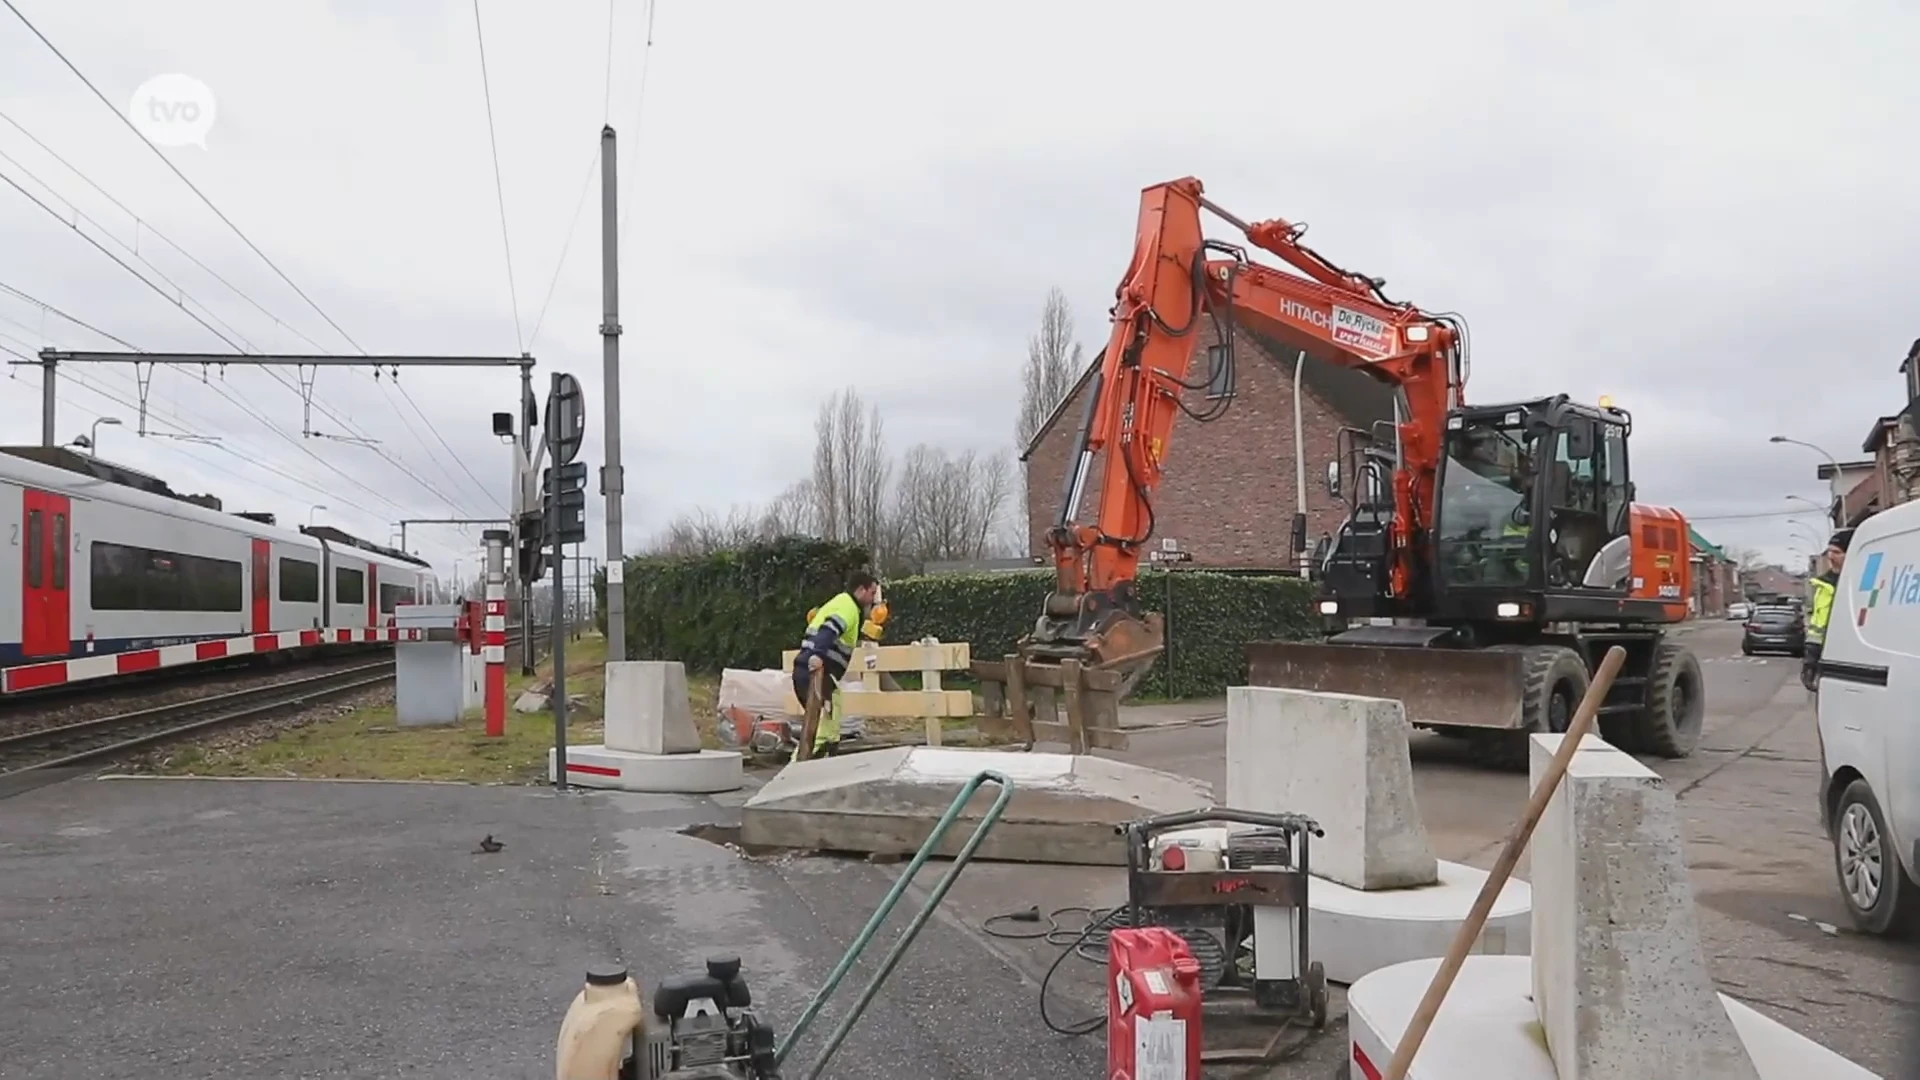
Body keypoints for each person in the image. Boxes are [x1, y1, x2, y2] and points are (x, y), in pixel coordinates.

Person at [791, 571, 881, 760]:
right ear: (860, 590)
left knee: (832, 716)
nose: (873, 599)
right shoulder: (848, 608)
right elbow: (829, 630)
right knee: (820, 729)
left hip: (816, 674)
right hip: (816, 673)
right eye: (872, 593)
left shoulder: (843, 604)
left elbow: (841, 634)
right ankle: (794, 771)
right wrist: (817, 656)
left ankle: (828, 753)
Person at [1803, 528, 1851, 691]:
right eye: (1829, 552)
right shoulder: (1824, 586)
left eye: (1837, 552)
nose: (1831, 557)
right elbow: (1817, 627)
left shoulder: (1864, 581)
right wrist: (1810, 661)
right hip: (1831, 658)